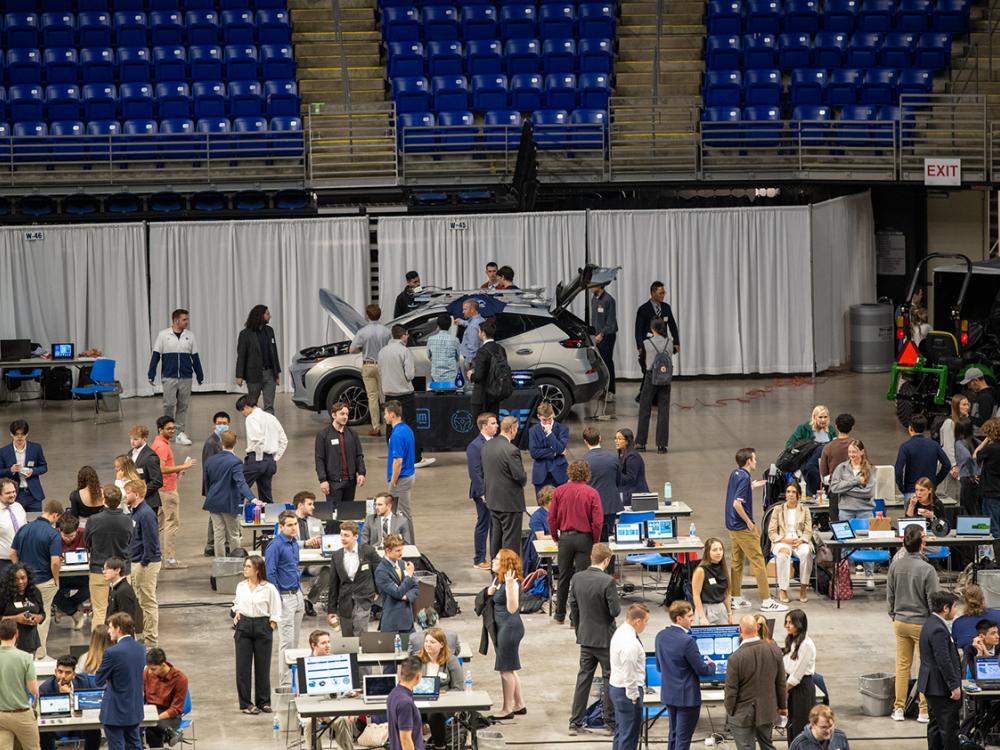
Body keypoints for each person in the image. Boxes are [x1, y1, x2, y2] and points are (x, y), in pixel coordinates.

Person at [887, 524, 938, 723]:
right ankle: (923, 711)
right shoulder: (927, 569)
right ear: (922, 542)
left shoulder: (895, 565)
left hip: (900, 621)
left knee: (902, 666)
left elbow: (890, 595)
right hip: (921, 623)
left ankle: (898, 708)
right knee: (925, 665)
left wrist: (893, 614)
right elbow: (934, 601)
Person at [567, 543, 619, 736]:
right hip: (605, 639)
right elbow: (614, 611)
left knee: (583, 679)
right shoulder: (607, 582)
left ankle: (575, 722)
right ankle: (610, 722)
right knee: (609, 678)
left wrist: (580, 630)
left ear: (591, 557)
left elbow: (574, 607)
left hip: (585, 638)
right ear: (607, 560)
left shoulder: (577, 578)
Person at [725, 448, 786, 613]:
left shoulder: (736, 474)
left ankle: (735, 598)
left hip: (731, 526)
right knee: (758, 561)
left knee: (737, 562)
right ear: (748, 461)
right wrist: (749, 523)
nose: (756, 461)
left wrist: (751, 486)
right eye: (754, 459)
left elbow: (736, 495)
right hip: (743, 528)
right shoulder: (745, 477)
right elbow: (737, 504)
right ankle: (767, 600)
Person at [655, 600, 715, 750]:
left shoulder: (660, 636)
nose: (692, 619)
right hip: (687, 698)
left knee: (673, 735)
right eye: (689, 616)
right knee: (683, 739)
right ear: (678, 618)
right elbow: (702, 670)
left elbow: (658, 666)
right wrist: (712, 665)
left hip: (669, 695)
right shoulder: (687, 641)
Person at [549, 460, 603, 624]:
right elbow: (598, 521)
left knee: (563, 576)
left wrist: (556, 537)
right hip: (585, 538)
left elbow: (552, 518)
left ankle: (559, 614)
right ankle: (576, 617)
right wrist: (595, 540)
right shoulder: (592, 493)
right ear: (587, 473)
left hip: (565, 537)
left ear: (569, 472)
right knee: (580, 578)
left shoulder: (559, 491)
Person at [725, 613, 788, 750]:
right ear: (757, 627)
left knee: (746, 747)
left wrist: (730, 710)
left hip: (742, 713)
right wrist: (782, 706)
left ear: (739, 630)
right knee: (767, 745)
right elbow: (780, 682)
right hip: (767, 710)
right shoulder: (774, 650)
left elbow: (731, 690)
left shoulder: (735, 658)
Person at [9, 498, 61, 657]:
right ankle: (39, 653)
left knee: (23, 616)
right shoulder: (53, 534)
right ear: (55, 515)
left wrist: (20, 572)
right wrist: (56, 578)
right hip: (44, 582)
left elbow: (12, 553)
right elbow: (55, 561)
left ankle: (20, 651)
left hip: (24, 584)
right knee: (40, 617)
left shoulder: (24, 529)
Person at [232, 554, 280, 715]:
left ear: (257, 570)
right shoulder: (241, 586)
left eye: (248, 567)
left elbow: (276, 609)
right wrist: (237, 611)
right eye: (245, 566)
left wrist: (272, 625)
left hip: (262, 626)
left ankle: (263, 701)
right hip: (244, 626)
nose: (245, 569)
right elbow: (236, 603)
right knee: (243, 668)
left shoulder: (269, 588)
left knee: (263, 667)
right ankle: (246, 703)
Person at [147, 308, 203, 445]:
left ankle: (180, 433)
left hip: (186, 376)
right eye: (184, 319)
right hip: (169, 376)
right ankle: (166, 432)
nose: (187, 322)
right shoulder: (163, 335)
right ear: (176, 320)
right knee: (169, 405)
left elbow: (195, 357)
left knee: (183, 406)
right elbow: (156, 356)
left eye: (187, 319)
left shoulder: (190, 335)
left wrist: (200, 374)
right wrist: (151, 373)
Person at [84, 485, 133, 630]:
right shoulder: (127, 520)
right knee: (122, 613)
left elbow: (87, 542)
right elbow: (130, 541)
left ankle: (98, 648)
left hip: (99, 570)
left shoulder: (93, 520)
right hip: (121, 572)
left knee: (99, 611)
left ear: (104, 499)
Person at [918, 590, 962, 750]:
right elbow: (943, 660)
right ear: (946, 608)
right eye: (955, 607)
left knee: (936, 725)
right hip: (941, 687)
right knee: (949, 729)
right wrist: (954, 686)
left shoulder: (930, 623)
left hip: (932, 685)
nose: (957, 611)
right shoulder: (938, 629)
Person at [203, 430, 257, 558]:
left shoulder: (210, 461)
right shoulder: (236, 462)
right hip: (229, 503)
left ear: (221, 443)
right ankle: (237, 563)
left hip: (213, 502)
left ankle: (220, 565)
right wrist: (253, 499)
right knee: (234, 535)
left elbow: (207, 482)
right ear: (236, 442)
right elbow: (241, 483)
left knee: (218, 535)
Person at [829, 439, 876, 587]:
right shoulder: (841, 468)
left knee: (868, 544)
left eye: (854, 452)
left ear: (861, 452)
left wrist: (847, 490)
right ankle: (844, 576)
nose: (852, 454)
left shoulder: (871, 469)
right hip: (845, 511)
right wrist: (856, 482)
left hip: (865, 510)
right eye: (850, 452)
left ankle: (870, 576)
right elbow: (835, 488)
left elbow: (868, 492)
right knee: (845, 544)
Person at [97, 612, 147, 750]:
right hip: (134, 709)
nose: (108, 631)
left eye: (110, 627)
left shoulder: (111, 653)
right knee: (135, 745)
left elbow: (98, 679)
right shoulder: (141, 649)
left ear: (118, 629)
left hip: (115, 712)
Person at [150, 416, 195, 570]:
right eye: (168, 428)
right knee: (172, 523)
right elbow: (162, 469)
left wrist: (177, 472)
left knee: (159, 524)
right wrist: (183, 466)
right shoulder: (162, 447)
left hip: (161, 489)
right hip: (167, 490)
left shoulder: (157, 444)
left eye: (173, 428)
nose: (172, 431)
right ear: (160, 429)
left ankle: (154, 555)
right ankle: (169, 559)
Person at [380, 325, 428, 468]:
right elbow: (410, 375)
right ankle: (415, 458)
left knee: (390, 426)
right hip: (405, 395)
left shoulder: (382, 351)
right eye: (407, 335)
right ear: (404, 335)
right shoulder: (404, 351)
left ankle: (394, 455)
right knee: (411, 425)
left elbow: (380, 372)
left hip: (389, 394)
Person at [265, 511, 302, 691]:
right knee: (286, 643)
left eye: (295, 524)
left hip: (297, 594)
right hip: (285, 597)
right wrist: (278, 598)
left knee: (295, 641)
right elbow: (270, 573)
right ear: (281, 526)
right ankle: (286, 684)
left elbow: (294, 567)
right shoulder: (275, 546)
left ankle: (295, 681)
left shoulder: (294, 544)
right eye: (289, 525)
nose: (293, 528)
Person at [482, 415, 528, 557]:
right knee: (511, 542)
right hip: (510, 503)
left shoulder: (487, 445)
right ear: (512, 429)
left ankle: (496, 570)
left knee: (496, 537)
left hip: (493, 500)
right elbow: (520, 477)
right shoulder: (511, 450)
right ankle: (509, 572)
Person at [325, 520, 380, 636]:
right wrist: (331, 610)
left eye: (346, 535)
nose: (343, 538)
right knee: (347, 639)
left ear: (355, 537)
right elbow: (333, 584)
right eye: (341, 535)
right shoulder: (337, 556)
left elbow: (380, 572)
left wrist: (377, 591)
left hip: (363, 599)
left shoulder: (368, 552)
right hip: (345, 602)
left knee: (360, 635)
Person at [489, 548, 526, 720]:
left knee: (505, 671)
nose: (493, 561)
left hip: (509, 629)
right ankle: (519, 704)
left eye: (497, 559)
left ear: (504, 564)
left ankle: (507, 708)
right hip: (504, 628)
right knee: (510, 668)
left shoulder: (512, 583)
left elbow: (512, 608)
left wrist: (510, 587)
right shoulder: (499, 579)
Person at [124, 479, 161, 646]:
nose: (125, 495)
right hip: (139, 560)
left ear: (137, 494)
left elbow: (151, 541)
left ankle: (151, 640)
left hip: (145, 563)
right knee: (143, 602)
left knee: (148, 602)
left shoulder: (145, 514)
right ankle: (147, 637)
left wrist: (144, 561)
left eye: (128, 492)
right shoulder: (137, 512)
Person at [415, 627, 464, 749]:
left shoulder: (451, 660)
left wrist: (439, 695)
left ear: (441, 644)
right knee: (404, 710)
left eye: (432, 642)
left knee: (435, 713)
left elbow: (458, 688)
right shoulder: (417, 660)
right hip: (420, 702)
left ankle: (439, 746)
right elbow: (407, 683)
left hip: (444, 704)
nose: (428, 645)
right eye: (426, 641)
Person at [610, 604, 650, 750]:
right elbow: (629, 670)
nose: (646, 626)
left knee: (621, 732)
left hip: (617, 688)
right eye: (646, 622)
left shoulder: (621, 631)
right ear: (637, 621)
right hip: (627, 693)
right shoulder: (630, 642)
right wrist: (633, 694)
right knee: (629, 736)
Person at [349, 303, 392, 437]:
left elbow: (352, 350)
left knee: (372, 397)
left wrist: (363, 349)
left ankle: (376, 427)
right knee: (384, 396)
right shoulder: (387, 331)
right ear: (380, 315)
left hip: (368, 365)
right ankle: (390, 425)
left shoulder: (362, 332)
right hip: (383, 365)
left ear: (367, 316)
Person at [39, 655, 100, 750]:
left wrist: (70, 694)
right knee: (42, 734)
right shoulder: (46, 687)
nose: (63, 676)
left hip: (81, 724)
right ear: (55, 672)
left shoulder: (85, 681)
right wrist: (63, 697)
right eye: (60, 672)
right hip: (57, 727)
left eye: (67, 673)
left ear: (74, 674)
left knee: (94, 730)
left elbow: (98, 698)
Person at [315, 400, 367, 510]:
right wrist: (323, 480)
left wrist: (361, 473)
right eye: (342, 414)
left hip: (350, 482)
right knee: (334, 515)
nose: (345, 417)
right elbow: (319, 459)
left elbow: (359, 455)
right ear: (333, 415)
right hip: (333, 483)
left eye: (347, 414)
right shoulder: (323, 435)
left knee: (347, 513)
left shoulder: (353, 434)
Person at [767, 484, 814, 604]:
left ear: (798, 495)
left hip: (799, 540)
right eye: (788, 491)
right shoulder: (778, 510)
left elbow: (808, 531)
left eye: (793, 492)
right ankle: (783, 589)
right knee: (783, 553)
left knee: (806, 552)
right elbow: (771, 532)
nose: (790, 494)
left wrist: (801, 540)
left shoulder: (805, 510)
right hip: (782, 540)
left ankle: (803, 587)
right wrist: (784, 540)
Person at [237, 394, 288, 504]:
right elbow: (283, 440)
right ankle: (269, 518)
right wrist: (275, 458)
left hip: (256, 459)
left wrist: (259, 458)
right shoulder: (271, 417)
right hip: (270, 462)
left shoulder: (251, 418)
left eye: (242, 410)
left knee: (239, 489)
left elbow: (257, 439)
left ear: (246, 407)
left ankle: (234, 518)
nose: (243, 414)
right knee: (266, 495)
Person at [0, 618, 39, 750]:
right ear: (17, 633)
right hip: (22, 715)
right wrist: (33, 707)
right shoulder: (25, 658)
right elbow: (33, 690)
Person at [235, 304, 281, 414]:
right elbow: (241, 355)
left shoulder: (270, 331)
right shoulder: (245, 334)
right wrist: (239, 375)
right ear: (260, 316)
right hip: (253, 375)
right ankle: (254, 429)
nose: (270, 316)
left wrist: (277, 373)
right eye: (267, 314)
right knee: (252, 405)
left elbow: (274, 353)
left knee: (269, 406)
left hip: (269, 374)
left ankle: (269, 430)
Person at [582, 427, 623, 551]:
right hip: (611, 503)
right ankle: (608, 567)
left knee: (592, 538)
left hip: (592, 505)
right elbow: (619, 480)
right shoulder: (613, 457)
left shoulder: (584, 461)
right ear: (600, 438)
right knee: (608, 538)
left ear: (585, 441)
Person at [636, 319, 673, 453]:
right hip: (665, 379)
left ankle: (641, 442)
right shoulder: (670, 342)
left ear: (653, 329)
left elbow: (642, 360)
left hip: (651, 377)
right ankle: (662, 445)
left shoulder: (647, 343)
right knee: (664, 411)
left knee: (645, 409)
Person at [467, 412, 497, 570]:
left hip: (496, 490)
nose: (496, 426)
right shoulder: (475, 446)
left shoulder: (495, 442)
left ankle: (495, 557)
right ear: (484, 426)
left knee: (495, 524)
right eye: (493, 423)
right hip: (483, 492)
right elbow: (475, 472)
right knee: (484, 523)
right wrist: (483, 493)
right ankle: (479, 559)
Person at [782, 610, 817, 745]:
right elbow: (786, 665)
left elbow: (796, 676)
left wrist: (782, 692)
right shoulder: (791, 641)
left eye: (790, 622)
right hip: (791, 686)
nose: (787, 625)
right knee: (791, 725)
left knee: (800, 725)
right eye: (786, 622)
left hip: (802, 688)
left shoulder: (806, 645)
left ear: (799, 624)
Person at [634, 281, 681, 380]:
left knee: (663, 371)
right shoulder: (643, 309)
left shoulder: (666, 308)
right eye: (661, 293)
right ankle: (645, 394)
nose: (663, 295)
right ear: (652, 293)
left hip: (663, 345)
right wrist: (640, 346)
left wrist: (676, 341)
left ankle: (660, 393)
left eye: (664, 293)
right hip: (649, 346)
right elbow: (638, 330)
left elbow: (672, 325)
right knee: (649, 374)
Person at [385, 400, 419, 537]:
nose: (385, 416)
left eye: (386, 413)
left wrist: (393, 480)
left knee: (402, 513)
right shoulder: (407, 429)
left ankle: (409, 545)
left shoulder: (397, 435)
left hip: (401, 478)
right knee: (402, 512)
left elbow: (398, 461)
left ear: (392, 415)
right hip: (408, 475)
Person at [786, 406, 836, 497]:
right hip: (809, 464)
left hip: (826, 463)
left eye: (825, 417)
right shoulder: (803, 429)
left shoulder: (831, 430)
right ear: (814, 417)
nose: (823, 420)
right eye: (820, 417)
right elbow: (790, 444)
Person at [143, 648, 189, 748]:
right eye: (149, 668)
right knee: (133, 725)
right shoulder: (147, 672)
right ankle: (169, 733)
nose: (150, 672)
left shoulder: (180, 679)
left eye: (153, 669)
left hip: (170, 715)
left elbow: (176, 709)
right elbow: (142, 695)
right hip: (151, 710)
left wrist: (155, 718)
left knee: (152, 727)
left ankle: (168, 732)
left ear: (163, 665)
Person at [895, 415, 951, 495]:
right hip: (929, 490)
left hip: (911, 491)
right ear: (924, 428)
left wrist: (903, 488)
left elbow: (898, 471)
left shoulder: (906, 447)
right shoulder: (934, 445)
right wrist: (935, 482)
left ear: (910, 428)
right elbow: (947, 465)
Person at [0, 419, 47, 512]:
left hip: (33, 494)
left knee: (35, 523)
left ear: (27, 434)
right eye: (16, 434)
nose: (20, 437)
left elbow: (44, 467)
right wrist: (11, 470)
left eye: (23, 434)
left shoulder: (36, 448)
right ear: (11, 434)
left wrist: (32, 471)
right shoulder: (3, 452)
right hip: (15, 495)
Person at [202, 411, 231, 556]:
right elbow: (208, 467)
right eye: (219, 423)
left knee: (218, 516)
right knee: (215, 516)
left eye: (224, 423)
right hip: (215, 486)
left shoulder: (225, 440)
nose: (222, 426)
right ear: (214, 424)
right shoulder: (211, 443)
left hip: (221, 486)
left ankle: (217, 544)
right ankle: (210, 545)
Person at [375, 534, 418, 634]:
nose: (401, 553)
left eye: (401, 550)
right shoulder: (381, 571)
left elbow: (416, 587)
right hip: (392, 624)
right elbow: (397, 593)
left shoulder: (403, 564)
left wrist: (407, 596)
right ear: (387, 551)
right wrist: (409, 576)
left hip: (408, 622)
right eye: (397, 551)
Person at [53, 514, 89, 629]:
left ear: (77, 531)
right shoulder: (53, 535)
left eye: (72, 536)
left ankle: (63, 607)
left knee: (91, 589)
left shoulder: (85, 534)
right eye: (65, 536)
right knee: (52, 592)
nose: (69, 539)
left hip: (82, 575)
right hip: (62, 576)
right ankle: (75, 613)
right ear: (60, 531)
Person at [0, 563, 45, 654]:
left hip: (30, 643)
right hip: (7, 644)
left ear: (28, 578)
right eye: (16, 579)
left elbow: (42, 613)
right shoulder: (3, 595)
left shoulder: (35, 592)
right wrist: (16, 618)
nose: (20, 582)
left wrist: (37, 618)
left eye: (23, 578)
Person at [469, 318, 508, 417]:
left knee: (479, 425)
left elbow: (479, 377)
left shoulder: (482, 351)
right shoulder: (500, 349)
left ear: (483, 333)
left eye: (479, 331)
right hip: (496, 393)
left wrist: (471, 376)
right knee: (493, 423)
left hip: (482, 395)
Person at [528, 402, 570, 493]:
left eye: (549, 419)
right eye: (544, 420)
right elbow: (534, 453)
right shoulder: (533, 431)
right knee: (542, 505)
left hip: (559, 474)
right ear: (538, 416)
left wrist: (550, 433)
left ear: (553, 414)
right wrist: (554, 452)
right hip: (541, 474)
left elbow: (560, 449)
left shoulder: (562, 429)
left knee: (562, 505)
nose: (547, 422)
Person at [387, 654, 426, 750]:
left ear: (400, 674)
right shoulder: (406, 703)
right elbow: (405, 739)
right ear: (418, 676)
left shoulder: (393, 694)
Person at [692, 537, 733, 625]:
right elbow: (696, 595)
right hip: (706, 609)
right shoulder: (700, 571)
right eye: (714, 550)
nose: (718, 552)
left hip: (721, 609)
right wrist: (702, 617)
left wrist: (729, 613)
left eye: (720, 549)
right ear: (708, 552)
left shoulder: (723, 569)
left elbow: (727, 593)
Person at [590, 282, 618, 400]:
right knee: (599, 365)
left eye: (592, 285)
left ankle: (611, 391)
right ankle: (603, 389)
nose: (590, 287)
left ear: (600, 285)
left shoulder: (609, 300)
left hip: (607, 336)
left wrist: (601, 334)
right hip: (596, 337)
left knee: (607, 363)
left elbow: (610, 323)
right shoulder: (593, 299)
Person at [940, 394, 971, 498]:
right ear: (956, 406)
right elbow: (948, 446)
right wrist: (953, 465)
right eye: (964, 404)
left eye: (968, 404)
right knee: (952, 496)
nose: (967, 407)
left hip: (964, 465)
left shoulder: (964, 422)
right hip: (953, 467)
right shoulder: (950, 423)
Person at [975, 418, 1000, 544]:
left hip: (990, 492)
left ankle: (995, 559)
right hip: (997, 490)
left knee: (992, 528)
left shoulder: (991, 449)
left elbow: (976, 455)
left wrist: (986, 441)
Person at [952, 584, 1000, 649]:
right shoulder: (997, 615)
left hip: (969, 658)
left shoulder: (958, 623)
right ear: (983, 598)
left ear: (965, 602)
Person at [128, 425, 163, 511]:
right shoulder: (130, 453)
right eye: (131, 439)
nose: (132, 442)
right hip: (134, 501)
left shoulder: (150, 457)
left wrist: (140, 493)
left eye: (136, 439)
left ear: (144, 439)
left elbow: (157, 481)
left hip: (148, 502)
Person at [105, 557, 142, 633]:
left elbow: (126, 618)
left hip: (122, 634)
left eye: (107, 569)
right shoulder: (114, 587)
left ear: (117, 570)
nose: (104, 572)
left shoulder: (123, 590)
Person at [953, 418, 981, 516]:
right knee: (976, 507)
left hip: (967, 477)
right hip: (978, 478)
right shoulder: (975, 441)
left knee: (967, 508)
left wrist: (971, 473)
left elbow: (967, 456)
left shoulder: (959, 443)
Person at [522, 485, 553, 575]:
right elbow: (541, 537)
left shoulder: (556, 513)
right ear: (547, 501)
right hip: (538, 552)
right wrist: (558, 536)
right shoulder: (537, 516)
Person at [615, 429, 648, 506]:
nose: (616, 441)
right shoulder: (621, 455)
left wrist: (615, 473)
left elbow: (631, 479)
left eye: (619, 439)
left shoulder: (632, 457)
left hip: (636, 497)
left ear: (627, 441)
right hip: (628, 493)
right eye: (615, 438)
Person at [818, 413, 856, 481]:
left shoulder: (828, 447)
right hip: (854, 485)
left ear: (836, 426)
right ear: (852, 427)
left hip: (834, 486)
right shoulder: (857, 445)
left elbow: (823, 473)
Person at [0, 478, 25, 577]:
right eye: (8, 493)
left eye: (14, 491)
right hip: (3, 563)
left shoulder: (18, 507)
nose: (13, 495)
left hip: (22, 559)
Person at [426, 313, 460, 386]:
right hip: (451, 377)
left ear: (438, 325)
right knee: (451, 396)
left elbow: (429, 356)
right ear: (450, 325)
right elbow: (457, 358)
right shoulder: (455, 340)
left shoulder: (431, 339)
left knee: (437, 396)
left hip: (436, 376)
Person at [458, 298, 484, 366]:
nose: (463, 312)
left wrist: (469, 362)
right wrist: (461, 322)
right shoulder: (480, 320)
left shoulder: (473, 326)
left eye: (465, 309)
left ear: (472, 310)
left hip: (472, 361)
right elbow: (470, 324)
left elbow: (473, 347)